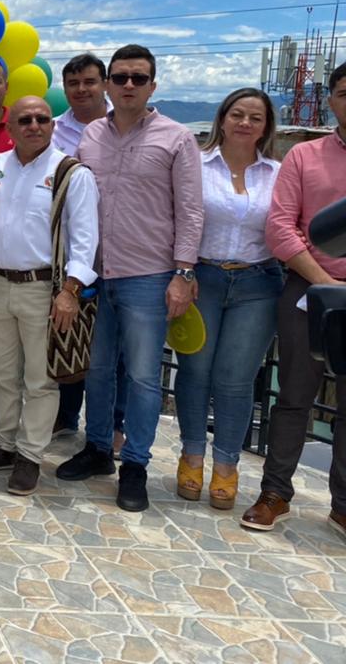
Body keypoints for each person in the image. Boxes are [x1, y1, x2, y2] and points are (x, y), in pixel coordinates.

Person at [57, 45, 203, 512]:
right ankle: (98, 449)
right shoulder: (90, 137)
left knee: (141, 377)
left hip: (149, 273)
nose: (128, 85)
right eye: (120, 77)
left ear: (153, 85)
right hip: (96, 272)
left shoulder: (177, 139)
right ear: (107, 84)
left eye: (138, 78)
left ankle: (135, 464)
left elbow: (191, 211)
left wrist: (183, 273)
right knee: (96, 369)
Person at [0, 96, 98, 495]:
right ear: (11, 127)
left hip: (45, 289)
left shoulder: (71, 173)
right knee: (0, 372)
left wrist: (70, 291)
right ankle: (3, 444)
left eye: (42, 119)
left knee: (40, 379)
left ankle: (30, 455)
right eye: (25, 119)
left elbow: (86, 240)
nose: (34, 125)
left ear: (52, 127)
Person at [242, 64, 346, 536]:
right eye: (344, 92)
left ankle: (342, 504)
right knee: (294, 396)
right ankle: (275, 493)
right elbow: (281, 227)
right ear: (331, 99)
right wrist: (327, 281)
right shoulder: (304, 156)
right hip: (309, 291)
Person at [172, 88, 281, 510]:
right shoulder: (195, 165)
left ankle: (226, 467)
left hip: (258, 281)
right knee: (195, 372)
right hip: (202, 277)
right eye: (238, 114)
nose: (245, 123)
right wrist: (181, 271)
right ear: (222, 118)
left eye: (256, 117)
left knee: (236, 380)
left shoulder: (277, 172)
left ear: (266, 126)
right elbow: (177, 218)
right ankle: (192, 456)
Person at [51, 52, 121, 442]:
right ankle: (65, 414)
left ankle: (114, 425)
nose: (81, 90)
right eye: (73, 83)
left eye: (89, 82)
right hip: (72, 251)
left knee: (118, 348)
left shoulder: (125, 126)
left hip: (124, 252)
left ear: (104, 84)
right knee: (70, 331)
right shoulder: (53, 129)